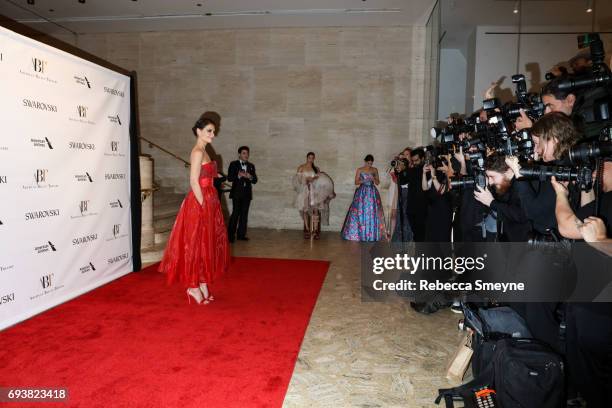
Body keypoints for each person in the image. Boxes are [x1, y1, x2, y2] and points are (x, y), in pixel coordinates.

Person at [159, 114, 230, 305]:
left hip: (209, 197)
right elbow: (193, 181)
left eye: (214, 131)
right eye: (209, 131)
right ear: (198, 131)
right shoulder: (198, 152)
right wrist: (202, 205)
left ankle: (203, 281)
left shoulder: (205, 150)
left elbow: (206, 174)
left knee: (206, 243)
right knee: (196, 244)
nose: (212, 134)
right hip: (200, 200)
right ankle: (193, 286)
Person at [341, 155, 387, 241]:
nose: (369, 165)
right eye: (368, 163)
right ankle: (359, 233)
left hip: (372, 192)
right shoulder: (360, 169)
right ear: (365, 161)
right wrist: (364, 180)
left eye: (371, 163)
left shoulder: (374, 170)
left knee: (372, 212)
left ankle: (372, 233)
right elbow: (356, 182)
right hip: (362, 192)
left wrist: (373, 179)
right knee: (359, 211)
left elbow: (377, 182)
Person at [294, 152, 336, 239]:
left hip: (315, 192)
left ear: (314, 158)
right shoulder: (301, 167)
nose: (311, 159)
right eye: (309, 157)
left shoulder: (316, 168)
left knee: (316, 210)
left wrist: (326, 189)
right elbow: (298, 181)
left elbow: (320, 181)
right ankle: (307, 229)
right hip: (305, 190)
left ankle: (315, 230)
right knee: (305, 210)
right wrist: (307, 180)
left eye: (312, 158)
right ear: (307, 158)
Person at [227, 146, 258, 242]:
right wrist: (238, 175)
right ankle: (230, 236)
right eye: (244, 153)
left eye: (247, 153)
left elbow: (255, 180)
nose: (246, 155)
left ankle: (241, 235)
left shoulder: (251, 166)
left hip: (247, 194)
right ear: (239, 154)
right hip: (236, 193)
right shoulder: (233, 164)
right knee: (235, 214)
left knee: (244, 215)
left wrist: (250, 177)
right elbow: (230, 178)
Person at [422, 159, 453, 242]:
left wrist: (433, 175)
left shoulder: (449, 176)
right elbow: (425, 188)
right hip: (433, 210)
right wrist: (424, 173)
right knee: (431, 236)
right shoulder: (437, 175)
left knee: (442, 237)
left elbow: (440, 190)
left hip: (443, 211)